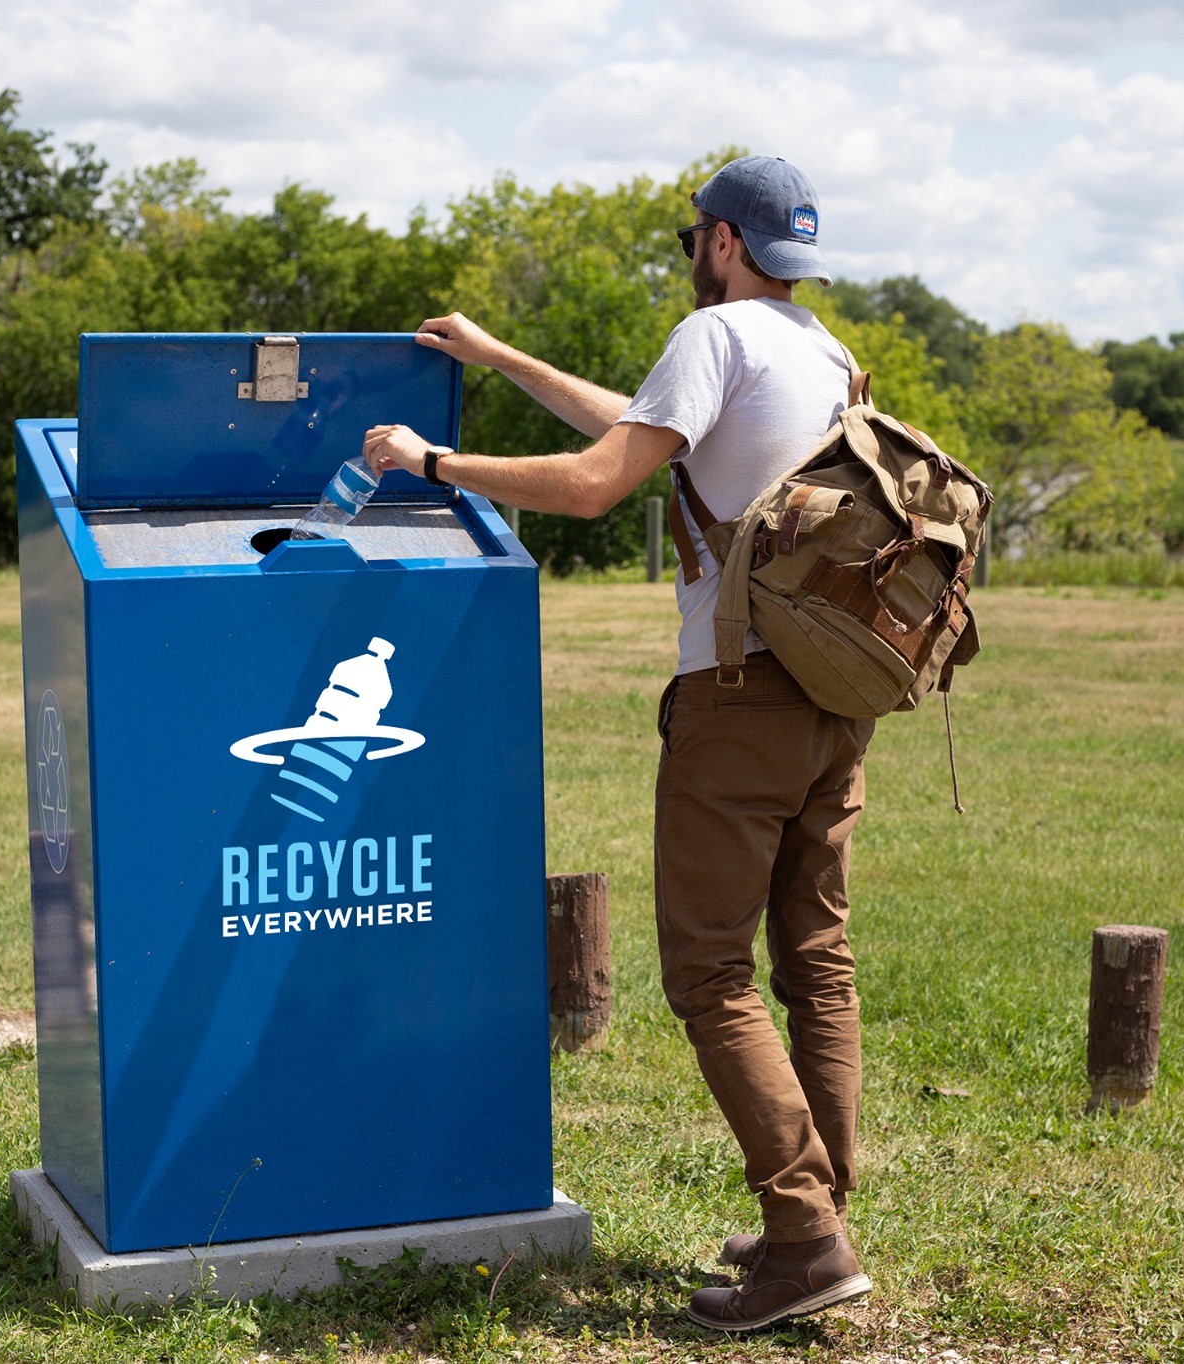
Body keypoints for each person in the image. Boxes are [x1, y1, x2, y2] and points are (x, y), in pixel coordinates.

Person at [362, 155, 873, 1333]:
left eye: (695, 235)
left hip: (736, 700)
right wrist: (498, 358)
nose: (691, 253)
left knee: (709, 971)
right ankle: (818, 1215)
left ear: (723, 241)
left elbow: (598, 483)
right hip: (831, 700)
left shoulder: (715, 335)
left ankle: (804, 1238)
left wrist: (430, 463)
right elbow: (643, 429)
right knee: (813, 960)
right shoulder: (822, 352)